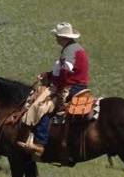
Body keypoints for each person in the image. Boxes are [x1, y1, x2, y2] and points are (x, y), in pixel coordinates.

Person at [18, 22, 89, 156]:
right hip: (77, 84)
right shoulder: (73, 48)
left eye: (57, 36)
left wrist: (53, 82)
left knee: (43, 106)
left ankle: (40, 143)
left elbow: (65, 74)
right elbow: (66, 71)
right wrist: (49, 75)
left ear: (63, 37)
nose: (55, 38)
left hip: (71, 87)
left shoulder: (70, 51)